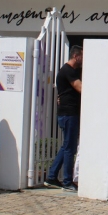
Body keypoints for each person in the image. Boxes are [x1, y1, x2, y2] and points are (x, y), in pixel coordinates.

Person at [44, 46, 83, 192]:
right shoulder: (68, 71)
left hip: (67, 113)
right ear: (75, 56)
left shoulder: (71, 71)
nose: (83, 60)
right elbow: (80, 88)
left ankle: (52, 177)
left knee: (66, 146)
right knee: (69, 148)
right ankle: (67, 181)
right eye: (82, 56)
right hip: (68, 113)